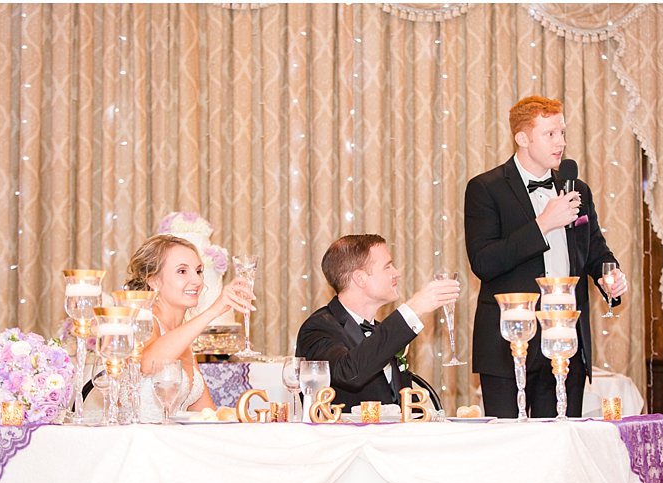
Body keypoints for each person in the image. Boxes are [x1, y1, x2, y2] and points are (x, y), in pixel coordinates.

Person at [464, 95, 628, 419]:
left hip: (565, 340)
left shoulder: (576, 187)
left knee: (562, 448)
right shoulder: (485, 188)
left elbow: (594, 248)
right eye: (550, 134)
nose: (561, 142)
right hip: (509, 344)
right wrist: (543, 225)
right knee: (512, 451)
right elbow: (484, 262)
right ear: (522, 138)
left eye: (562, 132)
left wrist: (610, 277)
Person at [294, 235, 458, 412]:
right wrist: (411, 310)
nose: (397, 273)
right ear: (360, 279)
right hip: (347, 437)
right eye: (387, 267)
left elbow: (404, 402)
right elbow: (349, 372)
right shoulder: (319, 327)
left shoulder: (382, 331)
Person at [128, 234, 254, 416]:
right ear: (153, 280)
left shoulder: (183, 337)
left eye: (198, 271)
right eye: (182, 271)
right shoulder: (142, 319)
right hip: (139, 440)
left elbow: (207, 413)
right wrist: (214, 310)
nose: (197, 281)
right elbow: (148, 363)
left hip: (172, 440)